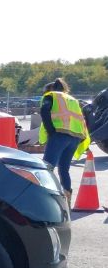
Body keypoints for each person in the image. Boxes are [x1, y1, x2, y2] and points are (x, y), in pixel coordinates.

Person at [39, 78, 90, 206]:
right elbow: (81, 119)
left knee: (47, 168)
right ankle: (66, 201)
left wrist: (51, 131)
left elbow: (44, 111)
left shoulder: (50, 96)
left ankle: (45, 202)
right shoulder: (72, 99)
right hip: (75, 137)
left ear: (49, 89)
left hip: (60, 135)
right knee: (64, 169)